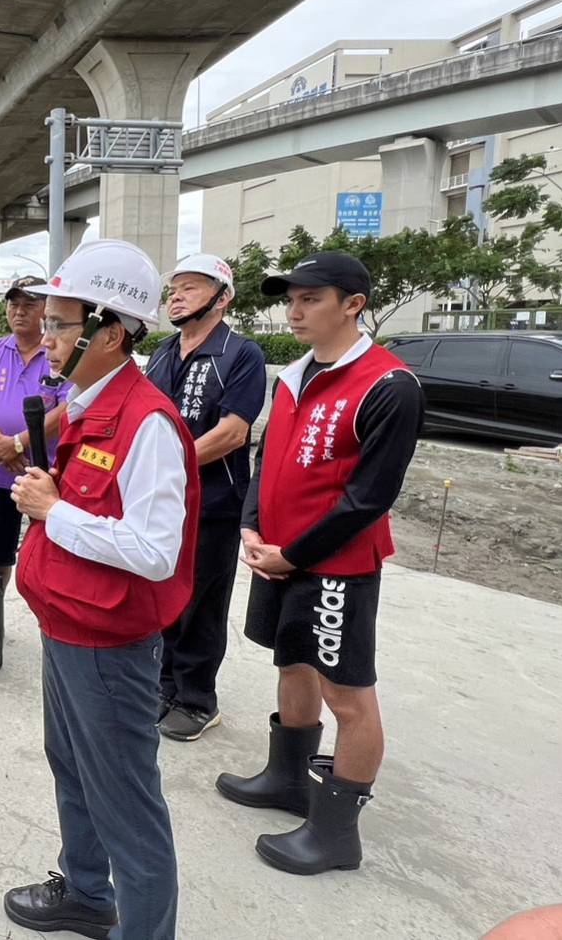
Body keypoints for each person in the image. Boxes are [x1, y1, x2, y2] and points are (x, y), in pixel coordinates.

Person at [2, 239, 198, 940]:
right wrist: (58, 502)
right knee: (73, 766)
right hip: (68, 625)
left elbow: (154, 552)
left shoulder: (148, 423)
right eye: (46, 322)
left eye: (59, 324)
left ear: (109, 332)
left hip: (110, 645)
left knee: (127, 803)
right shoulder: (91, 405)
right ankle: (87, 892)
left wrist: (55, 512)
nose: (44, 337)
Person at [216, 251, 423, 875]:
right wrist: (251, 523)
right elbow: (266, 454)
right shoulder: (293, 375)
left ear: (353, 304)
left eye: (311, 299)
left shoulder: (388, 386)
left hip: (337, 566)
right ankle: (286, 779)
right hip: (277, 554)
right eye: (292, 298)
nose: (295, 310)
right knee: (292, 660)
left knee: (348, 692)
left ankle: (335, 833)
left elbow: (369, 498)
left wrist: (294, 554)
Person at [143, 253, 267, 742]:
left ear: (222, 298)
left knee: (202, 601)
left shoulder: (241, 354)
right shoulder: (161, 351)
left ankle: (197, 700)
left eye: (190, 288)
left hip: (212, 503)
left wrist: (164, 468)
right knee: (163, 591)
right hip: (160, 499)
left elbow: (233, 432)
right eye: (174, 288)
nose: (176, 296)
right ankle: (163, 684)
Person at [0, 275, 71, 587]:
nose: (19, 311)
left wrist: (18, 445)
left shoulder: (58, 352)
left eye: (29, 304)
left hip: (47, 473)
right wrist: (2, 446)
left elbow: (66, 409)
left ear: (46, 310)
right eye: (14, 304)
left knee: (52, 555)